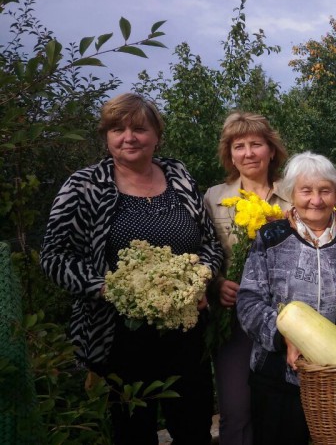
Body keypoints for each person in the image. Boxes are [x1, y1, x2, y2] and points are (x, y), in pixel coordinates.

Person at [40, 93, 223, 444]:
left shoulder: (179, 175)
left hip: (184, 332)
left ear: (157, 135)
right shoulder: (84, 186)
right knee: (132, 432)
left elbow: (209, 244)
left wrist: (201, 281)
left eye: (139, 128)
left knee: (194, 426)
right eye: (117, 129)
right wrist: (108, 288)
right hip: (117, 336)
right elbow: (54, 257)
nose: (129, 137)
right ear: (106, 136)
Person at [236, 152, 336, 445]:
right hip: (278, 375)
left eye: (325, 190)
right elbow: (248, 302)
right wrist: (284, 336)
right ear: (291, 193)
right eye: (306, 191)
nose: (316, 200)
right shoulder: (271, 237)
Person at [203, 111, 291, 445]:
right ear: (230, 154)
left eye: (256, 144)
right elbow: (201, 252)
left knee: (282, 409)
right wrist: (216, 284)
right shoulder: (213, 198)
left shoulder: (295, 194)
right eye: (239, 146)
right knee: (236, 410)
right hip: (233, 319)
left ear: (271, 150)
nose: (249, 153)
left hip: (285, 316)